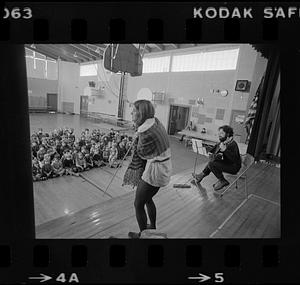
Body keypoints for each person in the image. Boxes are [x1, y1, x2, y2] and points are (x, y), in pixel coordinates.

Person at [123, 99, 172, 239]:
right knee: (148, 199)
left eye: (134, 110)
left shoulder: (145, 131)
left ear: (141, 113)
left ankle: (144, 235)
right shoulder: (155, 122)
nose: (131, 112)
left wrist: (136, 140)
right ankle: (152, 227)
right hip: (162, 166)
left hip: (156, 171)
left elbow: (142, 153)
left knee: (138, 204)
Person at [191, 125, 241, 191]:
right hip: (227, 163)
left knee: (212, 164)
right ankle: (201, 176)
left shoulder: (233, 144)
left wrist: (225, 150)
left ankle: (222, 180)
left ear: (228, 134)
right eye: (219, 133)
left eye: (222, 133)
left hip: (233, 167)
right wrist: (209, 153)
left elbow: (234, 159)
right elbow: (214, 149)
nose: (219, 135)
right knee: (212, 161)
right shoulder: (223, 141)